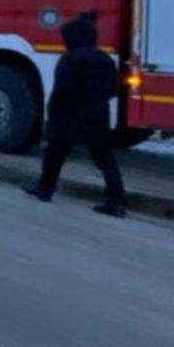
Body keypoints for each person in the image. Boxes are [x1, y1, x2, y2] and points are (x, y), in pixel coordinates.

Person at [24, 15, 127, 216]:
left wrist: (53, 114)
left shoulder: (70, 59)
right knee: (104, 158)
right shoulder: (104, 59)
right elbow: (114, 89)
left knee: (55, 153)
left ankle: (45, 189)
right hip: (97, 113)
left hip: (69, 114)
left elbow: (62, 89)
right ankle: (116, 200)